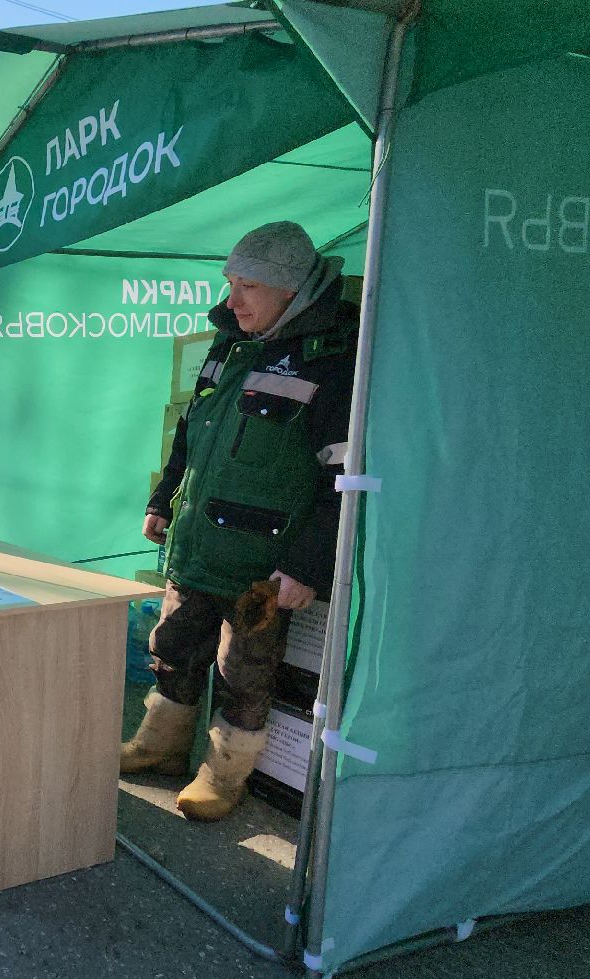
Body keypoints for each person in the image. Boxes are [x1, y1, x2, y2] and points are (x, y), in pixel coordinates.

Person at [119, 221, 359, 822]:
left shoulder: (332, 359)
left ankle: (222, 777)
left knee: (243, 675)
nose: (232, 301)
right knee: (172, 648)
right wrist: (162, 499)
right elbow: (191, 432)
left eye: (248, 286)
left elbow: (346, 478)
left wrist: (307, 565)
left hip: (261, 568)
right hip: (198, 546)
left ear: (291, 291)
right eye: (230, 283)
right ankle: (160, 747)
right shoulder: (229, 345)